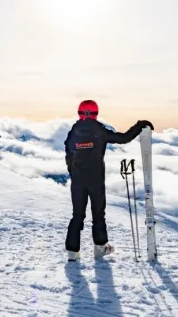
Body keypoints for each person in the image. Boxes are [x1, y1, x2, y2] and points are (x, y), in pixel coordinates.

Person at [64, 100, 153, 261]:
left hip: (77, 182)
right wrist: (139, 125)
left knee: (77, 215)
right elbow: (124, 138)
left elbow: (69, 154)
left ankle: (72, 253)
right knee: (98, 214)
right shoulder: (100, 132)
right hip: (96, 180)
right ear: (96, 113)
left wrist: (73, 172)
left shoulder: (73, 132)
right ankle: (100, 248)